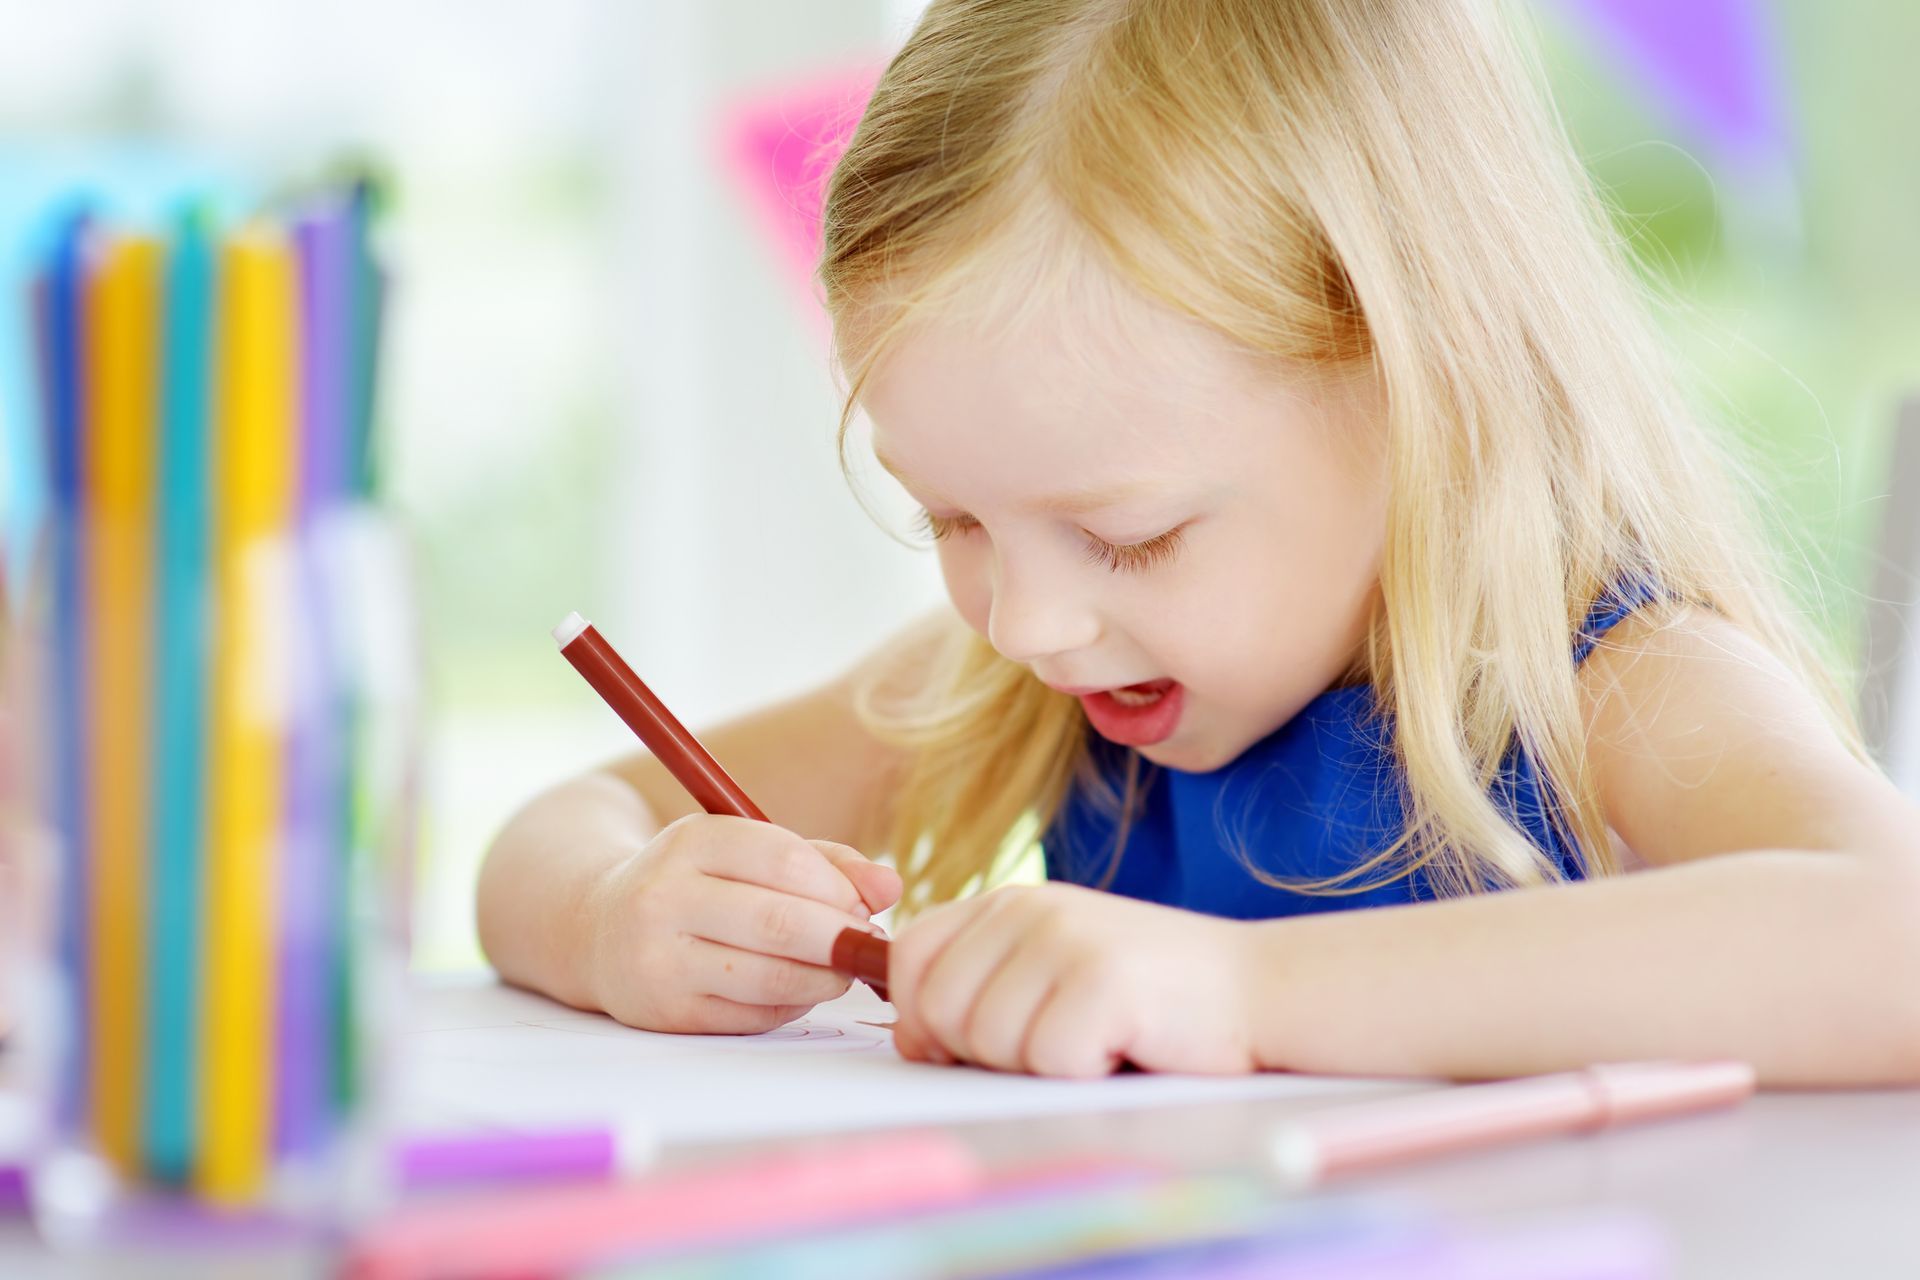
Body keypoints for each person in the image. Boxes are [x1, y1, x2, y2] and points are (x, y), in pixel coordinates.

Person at [479, 0, 1920, 1084]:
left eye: (1133, 536)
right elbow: (555, 836)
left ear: (1420, 390)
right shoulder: (1023, 692)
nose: (1027, 620)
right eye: (956, 518)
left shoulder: (1604, 680)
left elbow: (1891, 943)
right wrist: (620, 915)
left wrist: (1237, 994)